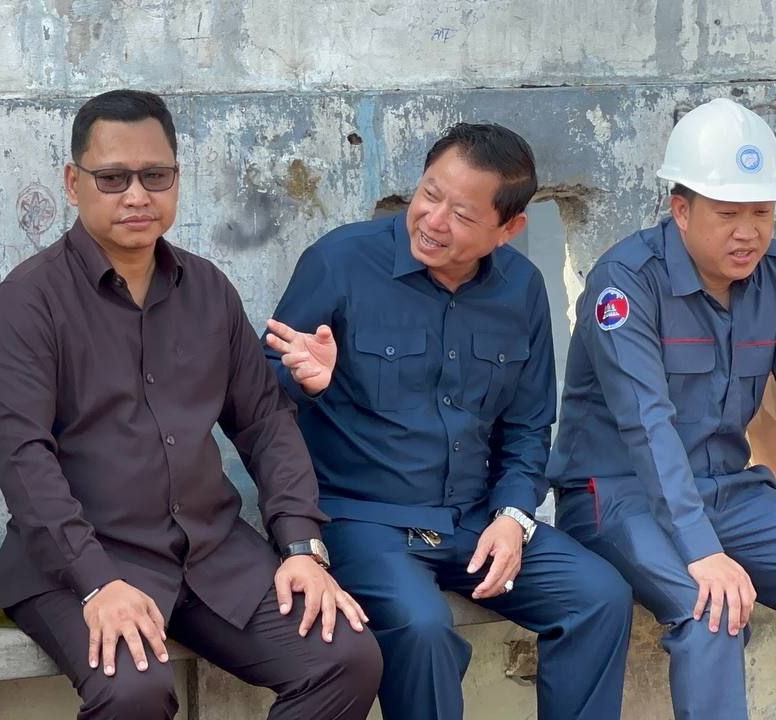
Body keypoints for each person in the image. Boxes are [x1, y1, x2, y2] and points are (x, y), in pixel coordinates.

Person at [0, 89, 383, 720]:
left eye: (155, 176)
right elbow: (23, 457)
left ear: (176, 179)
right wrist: (96, 582)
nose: (136, 196)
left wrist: (301, 546)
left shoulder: (208, 290)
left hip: (213, 553)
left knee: (345, 657)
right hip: (81, 560)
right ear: (73, 183)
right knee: (133, 692)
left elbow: (265, 423)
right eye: (112, 178)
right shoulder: (29, 302)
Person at [266, 123, 632, 720]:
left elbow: (527, 427)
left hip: (474, 520)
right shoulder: (340, 261)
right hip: (363, 520)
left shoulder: (521, 289)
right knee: (423, 626)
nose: (434, 221)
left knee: (598, 595)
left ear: (508, 228)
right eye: (429, 195)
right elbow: (259, 401)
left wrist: (512, 517)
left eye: (462, 214)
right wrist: (304, 381)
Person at [548, 97, 776, 720]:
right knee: (712, 612)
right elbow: (647, 427)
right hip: (619, 497)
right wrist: (702, 551)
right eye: (727, 213)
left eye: (762, 212)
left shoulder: (770, 277)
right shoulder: (626, 283)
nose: (748, 232)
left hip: (728, 491)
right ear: (681, 210)